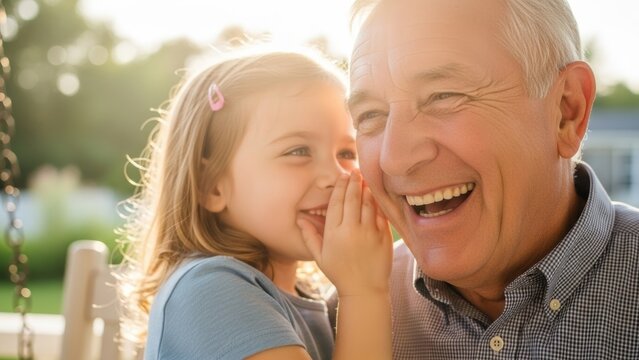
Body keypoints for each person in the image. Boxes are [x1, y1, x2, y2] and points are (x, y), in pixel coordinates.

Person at [347, 0, 639, 358]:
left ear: (566, 111)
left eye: (444, 96)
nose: (395, 159)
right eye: (370, 115)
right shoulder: (346, 317)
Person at [117, 48, 393, 359]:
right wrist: (365, 291)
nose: (336, 175)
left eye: (347, 153)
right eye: (298, 151)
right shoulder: (211, 289)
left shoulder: (305, 298)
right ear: (212, 186)